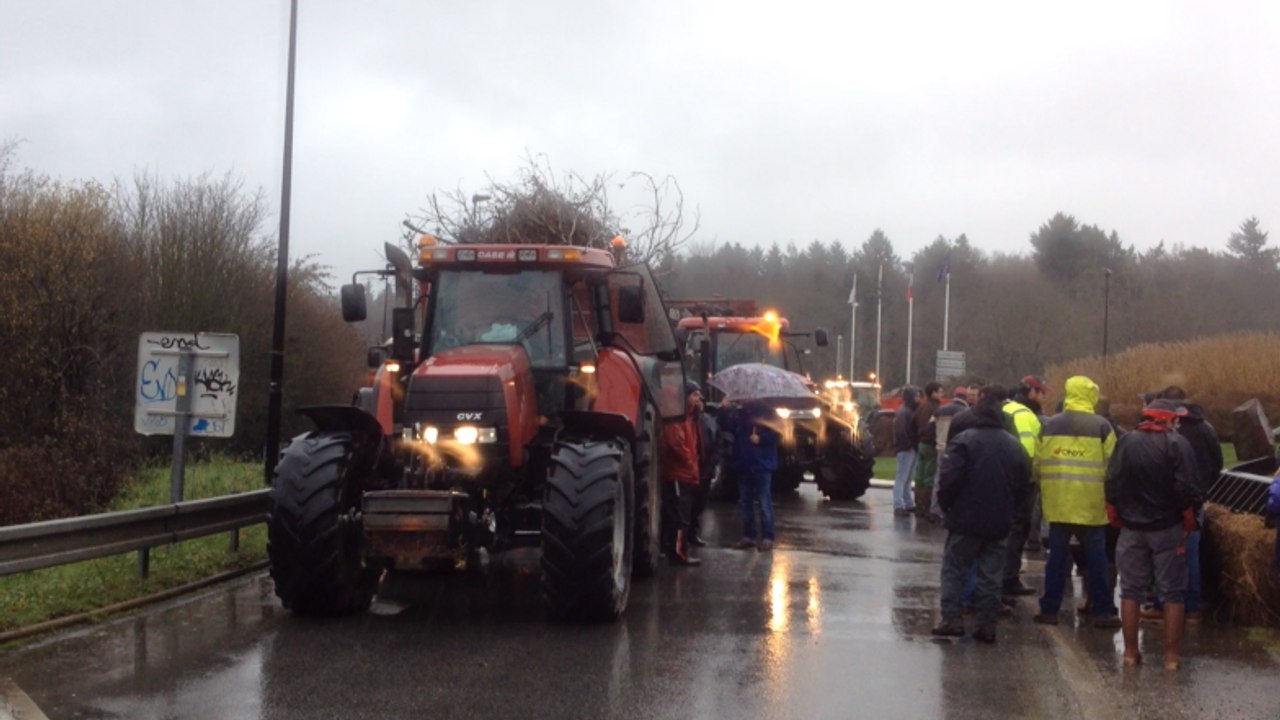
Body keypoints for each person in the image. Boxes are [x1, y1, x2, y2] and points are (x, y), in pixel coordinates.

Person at [1106, 399, 1204, 669]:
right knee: (1173, 593)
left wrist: (1115, 514)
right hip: (1167, 528)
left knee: (1130, 590)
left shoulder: (1126, 442)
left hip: (1131, 528)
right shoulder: (1178, 444)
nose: (1179, 423)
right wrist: (1189, 519)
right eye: (1177, 419)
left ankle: (1129, 653)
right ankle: (1171, 658)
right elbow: (1187, 488)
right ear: (1168, 420)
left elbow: (1112, 481)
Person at [932, 385, 1030, 644]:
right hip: (999, 520)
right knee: (991, 574)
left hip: (965, 518)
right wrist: (1012, 512)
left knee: (954, 570)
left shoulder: (964, 441)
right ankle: (986, 624)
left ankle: (951, 619)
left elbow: (948, 480)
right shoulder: (1014, 446)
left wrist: (947, 507)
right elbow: (1023, 486)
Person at [1033, 376, 1121, 629]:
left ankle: (1049, 609)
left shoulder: (1049, 425)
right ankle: (1103, 611)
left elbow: (1037, 464)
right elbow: (1114, 467)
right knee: (1097, 560)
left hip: (1059, 504)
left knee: (1057, 560)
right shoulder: (1102, 427)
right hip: (1092, 505)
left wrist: (1046, 491)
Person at [1142, 385, 1222, 622]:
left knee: (1162, 556)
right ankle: (1192, 607)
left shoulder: (1163, 431)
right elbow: (1217, 463)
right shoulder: (1206, 428)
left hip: (1166, 501)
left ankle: (1161, 604)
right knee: (1191, 556)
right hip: (1196, 499)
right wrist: (1203, 488)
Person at [1002, 375, 1046, 597]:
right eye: (1041, 393)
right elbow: (1030, 454)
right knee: (1017, 530)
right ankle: (1008, 580)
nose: (1043, 398)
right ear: (1032, 392)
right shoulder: (1026, 415)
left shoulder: (1008, 408)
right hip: (1020, 483)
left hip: (1001, 480)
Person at [722, 400, 780, 552]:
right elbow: (727, 427)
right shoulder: (740, 412)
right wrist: (724, 410)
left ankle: (768, 537)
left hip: (761, 465)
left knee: (764, 502)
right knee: (746, 503)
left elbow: (777, 433)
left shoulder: (769, 412)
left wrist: (761, 439)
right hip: (744, 464)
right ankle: (749, 536)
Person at [661, 382, 705, 566]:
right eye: (694, 395)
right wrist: (689, 463)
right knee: (680, 516)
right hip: (680, 473)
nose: (698, 398)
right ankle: (678, 553)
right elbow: (676, 444)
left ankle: (675, 550)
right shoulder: (677, 417)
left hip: (686, 472)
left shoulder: (690, 417)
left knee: (681, 515)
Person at [930, 385, 973, 521]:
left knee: (938, 479)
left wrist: (936, 442)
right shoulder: (967, 412)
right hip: (955, 449)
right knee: (955, 479)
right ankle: (950, 509)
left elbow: (930, 427)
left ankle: (934, 509)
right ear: (965, 397)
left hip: (940, 447)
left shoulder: (940, 410)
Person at [913, 382, 944, 518]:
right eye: (940, 391)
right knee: (929, 477)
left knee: (919, 476)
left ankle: (918, 505)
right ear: (933, 393)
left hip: (921, 443)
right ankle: (926, 508)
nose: (942, 394)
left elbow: (912, 422)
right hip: (931, 444)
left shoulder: (921, 407)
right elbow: (934, 427)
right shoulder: (936, 408)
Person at [893, 386, 922, 517]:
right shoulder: (904, 412)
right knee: (902, 477)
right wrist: (908, 445)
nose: (918, 398)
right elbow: (900, 431)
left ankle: (908, 503)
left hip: (910, 447)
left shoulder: (906, 410)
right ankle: (899, 504)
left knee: (907, 478)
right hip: (907, 448)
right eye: (916, 396)